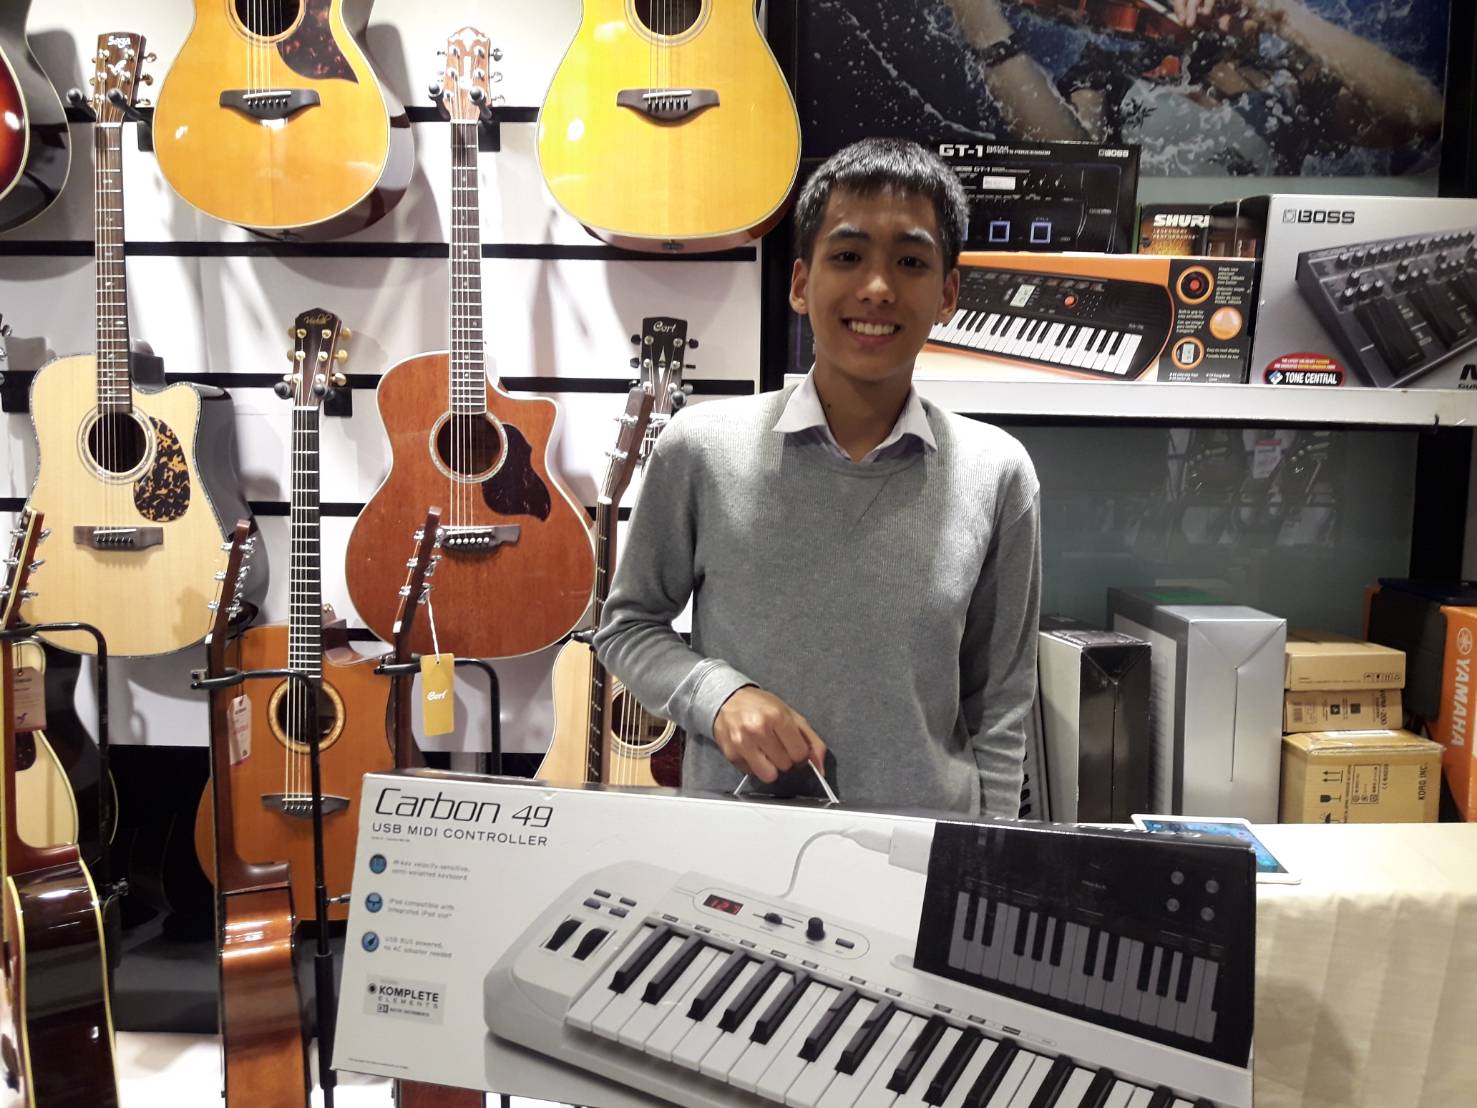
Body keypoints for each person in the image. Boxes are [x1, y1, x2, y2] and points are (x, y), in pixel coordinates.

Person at [593, 138, 1042, 818]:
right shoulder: (700, 448)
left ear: (948, 293)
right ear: (801, 283)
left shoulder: (998, 473)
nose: (877, 288)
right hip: (738, 846)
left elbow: (1000, 704)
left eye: (911, 262)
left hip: (921, 849)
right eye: (848, 256)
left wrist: (988, 853)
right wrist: (719, 697)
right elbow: (627, 627)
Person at [938, 0, 1444, 173]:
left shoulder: (1290, 83)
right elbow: (1075, 173)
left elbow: (1424, 116)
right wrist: (983, 27)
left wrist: (1283, 16)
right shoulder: (1109, 72)